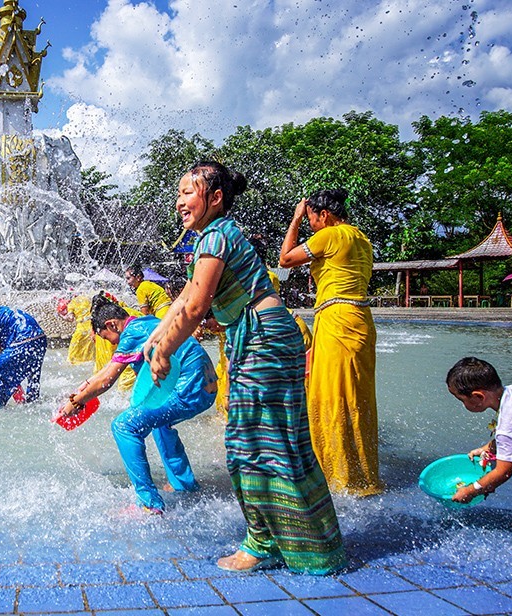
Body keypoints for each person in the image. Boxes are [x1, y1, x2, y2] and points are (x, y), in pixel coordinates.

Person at [146, 161, 346, 575]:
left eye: (189, 193)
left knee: (249, 444)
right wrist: (156, 335)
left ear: (215, 198)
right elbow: (186, 295)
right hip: (264, 336)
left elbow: (199, 307)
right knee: (272, 442)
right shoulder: (213, 237)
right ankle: (297, 540)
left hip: (263, 339)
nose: (180, 201)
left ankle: (263, 541)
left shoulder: (216, 236)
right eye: (179, 193)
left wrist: (165, 350)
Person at [59, 293, 217, 514]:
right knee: (159, 422)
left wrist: (74, 404)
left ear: (112, 324)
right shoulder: (146, 323)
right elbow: (105, 372)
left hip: (189, 389)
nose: (111, 344)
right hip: (207, 387)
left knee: (124, 426)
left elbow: (107, 380)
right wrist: (80, 391)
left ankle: (149, 504)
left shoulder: (131, 333)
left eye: (107, 338)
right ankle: (184, 484)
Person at [279, 189, 382, 497]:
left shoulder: (332, 234)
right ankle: (362, 473)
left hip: (338, 320)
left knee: (333, 397)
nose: (310, 224)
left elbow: (285, 260)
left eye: (311, 218)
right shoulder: (361, 238)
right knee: (356, 398)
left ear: (324, 215)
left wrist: (295, 219)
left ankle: (340, 478)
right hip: (359, 320)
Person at [447, 357, 512, 557]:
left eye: (461, 400)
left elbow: (503, 472)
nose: (462, 405)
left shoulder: (510, 422)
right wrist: (489, 447)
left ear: (478, 397)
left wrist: (472, 490)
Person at [57, 293, 95, 365]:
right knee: (90, 355)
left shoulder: (72, 303)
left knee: (72, 358)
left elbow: (70, 318)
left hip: (81, 332)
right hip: (93, 329)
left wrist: (62, 316)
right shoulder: (87, 298)